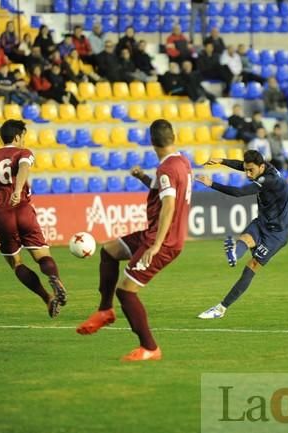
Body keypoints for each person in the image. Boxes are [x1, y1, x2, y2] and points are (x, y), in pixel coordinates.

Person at [76, 120, 192, 362]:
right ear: (174, 137)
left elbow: (169, 205)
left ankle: (149, 347)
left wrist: (156, 245)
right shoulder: (181, 162)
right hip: (154, 234)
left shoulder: (167, 169)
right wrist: (143, 178)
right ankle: (105, 310)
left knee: (127, 291)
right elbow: (164, 191)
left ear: (151, 141)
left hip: (163, 240)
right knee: (109, 251)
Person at [0, 120, 67, 317]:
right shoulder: (24, 153)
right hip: (23, 210)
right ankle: (55, 278)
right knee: (42, 256)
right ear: (18, 136)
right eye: (24, 136)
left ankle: (47, 298)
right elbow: (23, 169)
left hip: (1, 215)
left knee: (17, 264)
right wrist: (18, 190)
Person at [196, 150, 288, 319]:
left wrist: (212, 184)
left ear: (261, 167)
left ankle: (221, 308)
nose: (247, 174)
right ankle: (234, 253)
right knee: (244, 239)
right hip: (262, 222)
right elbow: (242, 165)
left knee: (252, 266)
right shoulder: (263, 167)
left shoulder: (269, 180)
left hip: (276, 234)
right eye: (246, 170)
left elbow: (239, 193)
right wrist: (222, 160)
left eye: (250, 171)